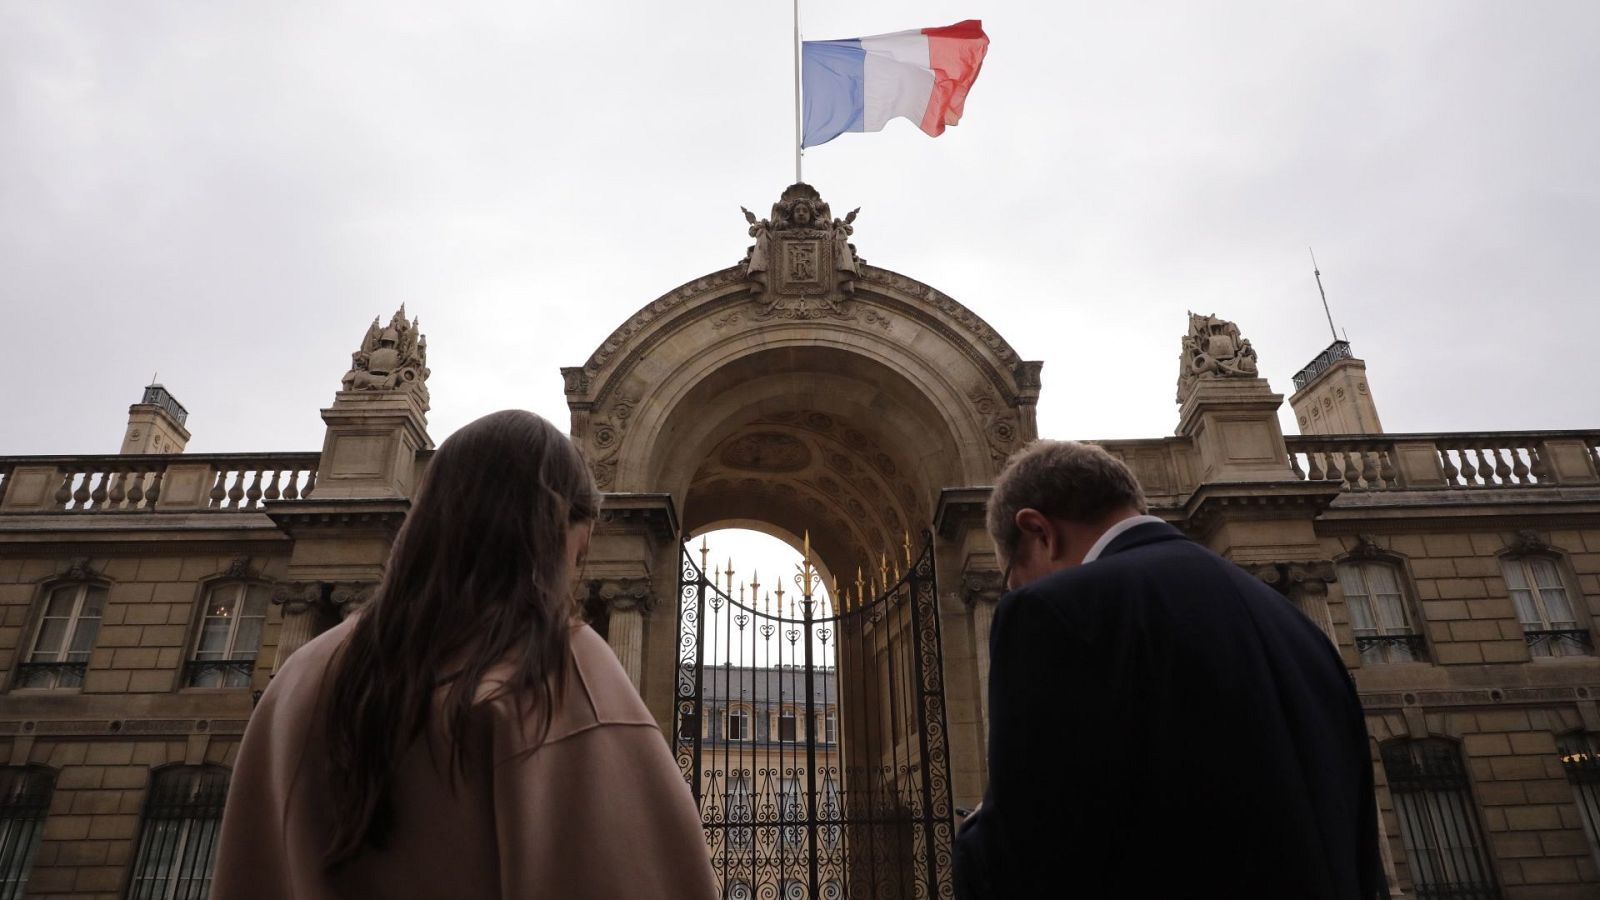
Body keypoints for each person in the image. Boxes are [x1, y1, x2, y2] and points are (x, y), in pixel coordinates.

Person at [214, 410, 717, 899]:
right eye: (578, 551)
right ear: (556, 523)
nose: (574, 571)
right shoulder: (550, 670)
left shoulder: (299, 675)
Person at [953, 441, 1388, 899]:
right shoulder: (1303, 629)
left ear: (1040, 531)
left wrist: (980, 826)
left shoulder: (1054, 610)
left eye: (1014, 578)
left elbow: (1024, 862)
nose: (1017, 591)